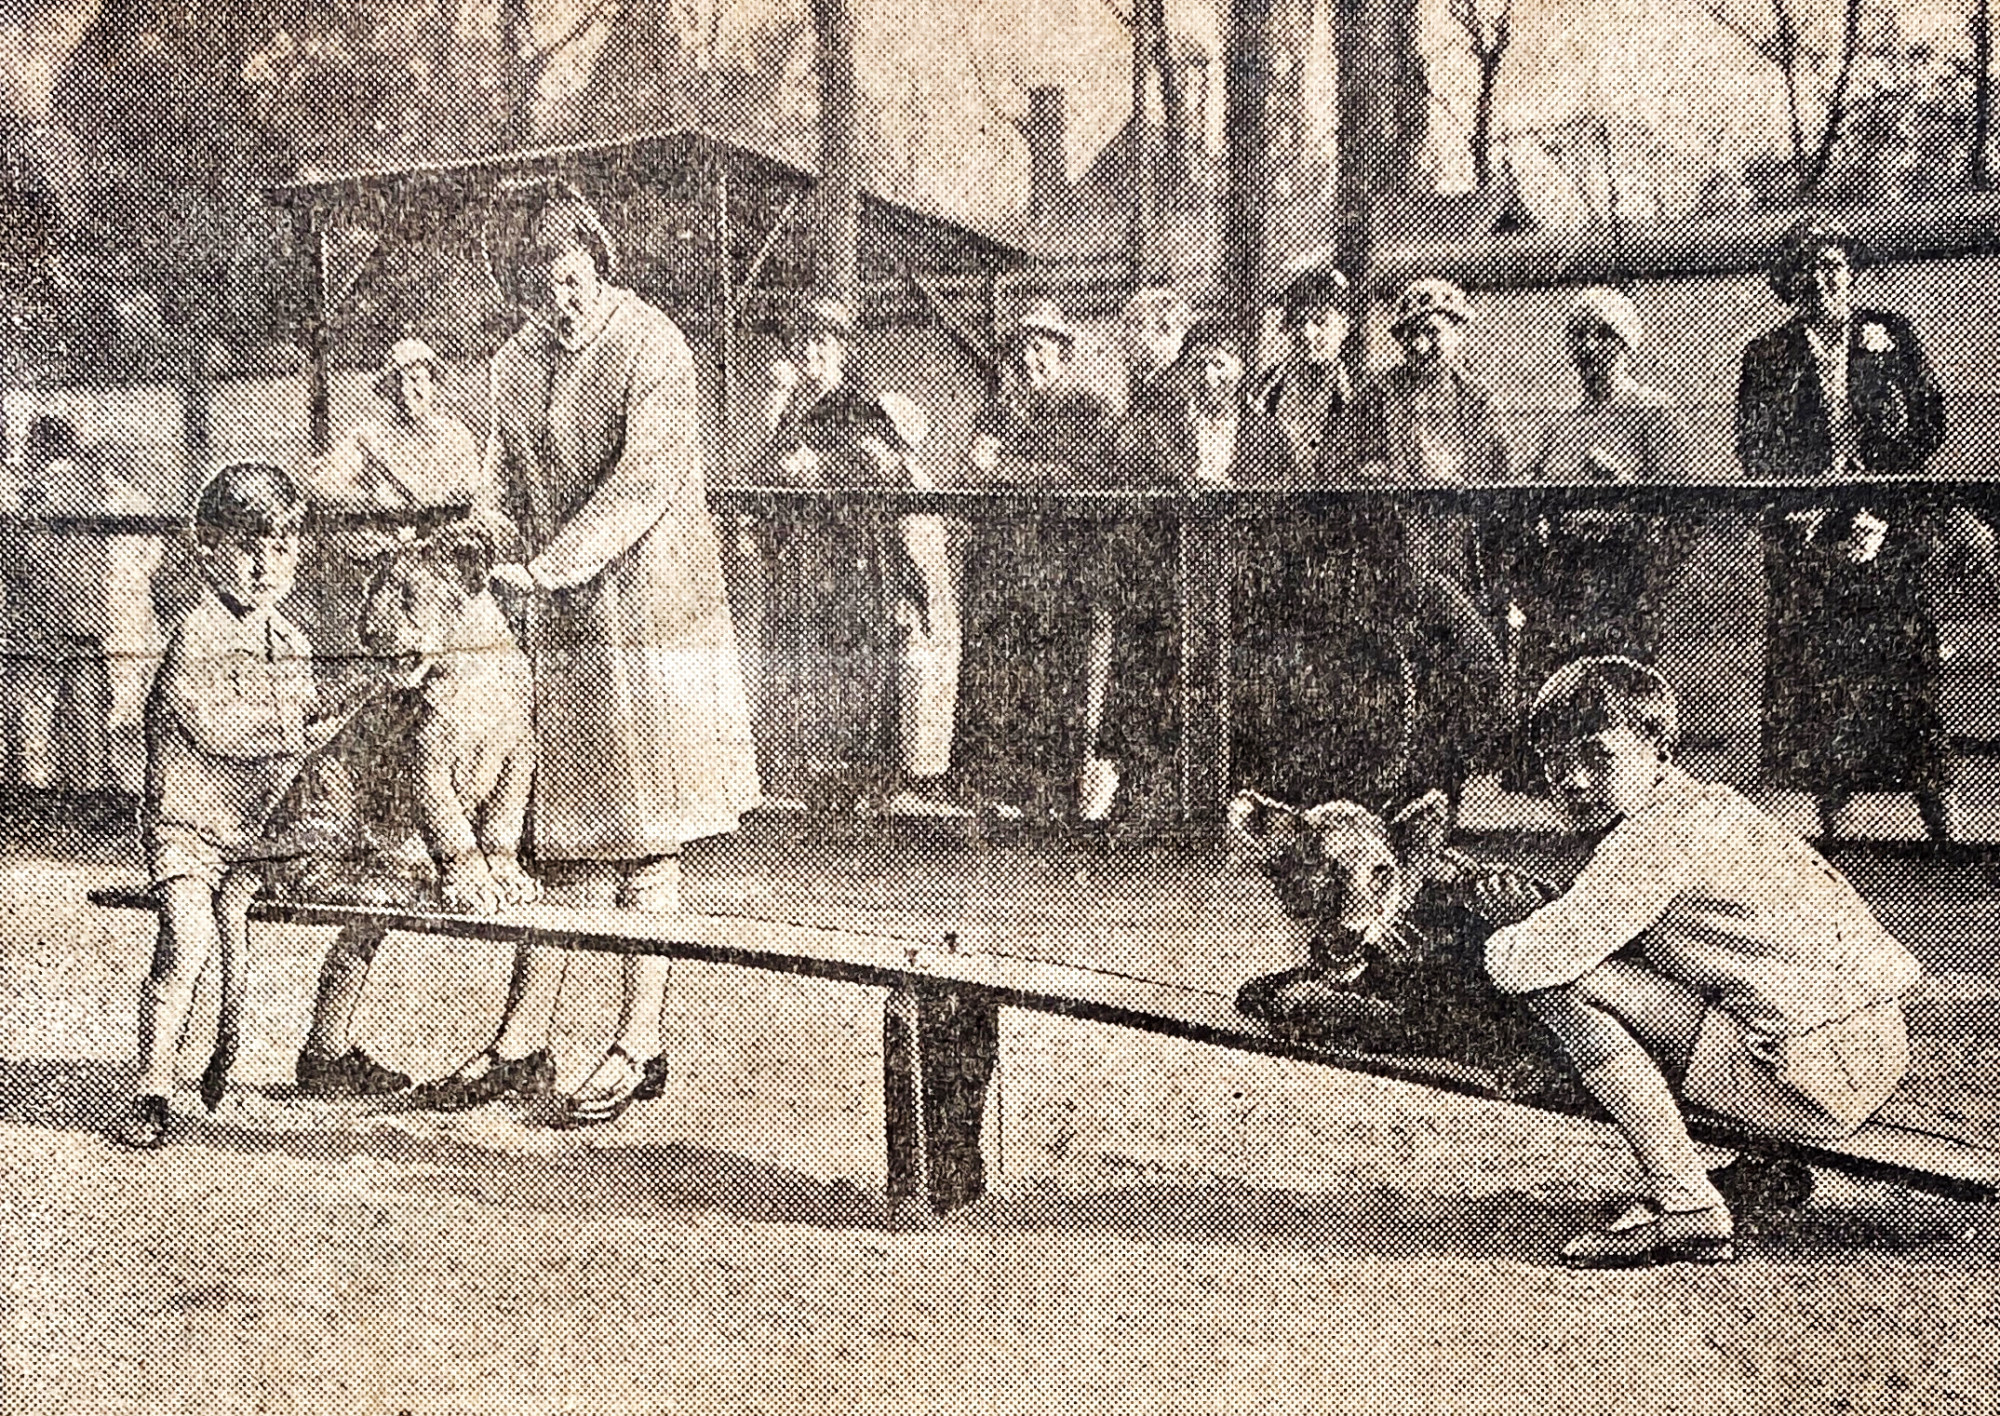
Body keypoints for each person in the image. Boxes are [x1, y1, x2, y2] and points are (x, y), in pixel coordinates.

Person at [414, 184, 761, 1126]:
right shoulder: (514, 363)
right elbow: (496, 477)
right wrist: (486, 534)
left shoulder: (654, 347)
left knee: (646, 834)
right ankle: (525, 1041)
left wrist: (552, 563)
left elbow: (644, 481)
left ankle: (638, 1042)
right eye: (538, 293)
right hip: (561, 621)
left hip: (651, 613)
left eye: (569, 282)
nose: (557, 306)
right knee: (560, 839)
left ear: (597, 263)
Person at [1475, 658, 1919, 1268]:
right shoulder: (1710, 807)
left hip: (1806, 1076)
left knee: (1569, 989)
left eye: (1596, 758)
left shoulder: (1651, 837)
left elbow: (1528, 964)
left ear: (1657, 743)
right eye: (1556, 763)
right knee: (1733, 982)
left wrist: (1501, 930)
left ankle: (1686, 1204)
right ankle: (1769, 1168)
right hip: (1869, 1045)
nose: (1573, 780)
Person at [109, 465, 394, 1148]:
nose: (267, 564)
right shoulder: (196, 636)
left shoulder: (290, 642)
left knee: (379, 892)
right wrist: (314, 722)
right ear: (207, 552)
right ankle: (152, 1090)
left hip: (266, 835)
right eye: (248, 546)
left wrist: (363, 696)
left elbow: (304, 728)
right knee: (190, 939)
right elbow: (222, 731)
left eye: (283, 546)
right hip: (192, 834)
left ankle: (327, 1048)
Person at [292, 336, 499, 1099]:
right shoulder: (369, 440)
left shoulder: (457, 438)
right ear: (386, 387)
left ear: (436, 382)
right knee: (393, 757)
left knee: (484, 709)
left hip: (451, 593)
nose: (414, 388)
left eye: (423, 376)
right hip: (399, 598)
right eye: (401, 379)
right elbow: (319, 491)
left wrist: (444, 543)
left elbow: (481, 517)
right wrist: (380, 515)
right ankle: (326, 1048)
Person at [1736, 218, 1952, 840]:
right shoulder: (1771, 354)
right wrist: (1807, 513)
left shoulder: (1891, 337)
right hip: (1814, 529)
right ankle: (1830, 810)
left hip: (1887, 523)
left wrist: (1881, 512)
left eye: (1836, 267)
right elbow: (1759, 446)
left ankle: (1931, 805)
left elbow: (1925, 428)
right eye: (1812, 270)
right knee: (1826, 664)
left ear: (1852, 275)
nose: (1826, 281)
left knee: (1902, 661)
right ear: (1795, 282)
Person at [755, 295, 963, 817]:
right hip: (810, 559)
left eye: (824, 341)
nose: (812, 352)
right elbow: (765, 477)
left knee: (863, 665)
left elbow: (887, 468)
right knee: (819, 668)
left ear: (842, 349)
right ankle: (823, 778)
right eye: (803, 341)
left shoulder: (860, 404)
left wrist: (820, 467)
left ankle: (873, 782)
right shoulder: (790, 411)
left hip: (859, 557)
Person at [1498, 287, 1700, 789]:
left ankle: (1636, 778)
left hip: (1628, 568)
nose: (1591, 349)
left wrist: (1651, 564)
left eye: (1604, 336)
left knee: (1628, 679)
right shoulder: (1560, 423)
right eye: (1580, 338)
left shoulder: (1655, 414)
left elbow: (1681, 506)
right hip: (1570, 568)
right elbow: (1528, 496)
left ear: (1626, 344)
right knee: (1564, 670)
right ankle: (1563, 778)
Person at [954, 300, 1119, 819]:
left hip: (1064, 570)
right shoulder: (998, 410)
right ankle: (993, 791)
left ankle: (1057, 794)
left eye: (1043, 346)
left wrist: (1018, 470)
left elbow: (1091, 477)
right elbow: (977, 471)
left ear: (1063, 354)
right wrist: (1042, 473)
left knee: (1059, 678)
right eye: (1023, 346)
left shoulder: (1088, 411)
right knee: (999, 675)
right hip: (1003, 569)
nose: (1031, 357)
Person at [1243, 262, 1352, 486]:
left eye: (1320, 322)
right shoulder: (1265, 389)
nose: (1308, 333)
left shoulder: (1359, 392)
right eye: (1299, 322)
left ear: (1344, 326)